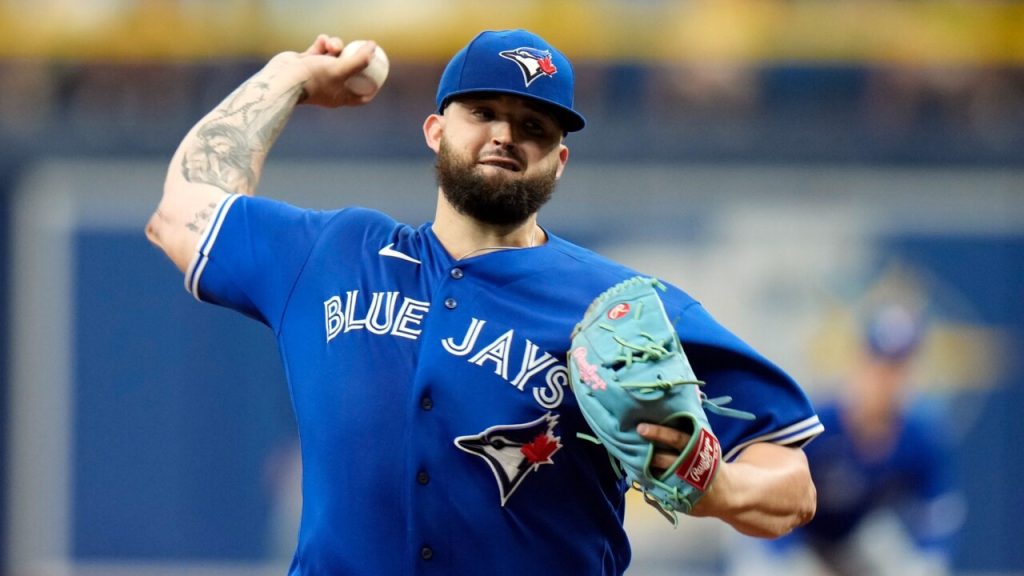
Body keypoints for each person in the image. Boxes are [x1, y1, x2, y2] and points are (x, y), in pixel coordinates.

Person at [146, 29, 823, 575]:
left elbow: (793, 484)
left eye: (534, 125)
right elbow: (181, 212)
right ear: (436, 130)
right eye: (485, 112)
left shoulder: (617, 309)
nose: (506, 134)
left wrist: (724, 487)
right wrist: (289, 75)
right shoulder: (334, 254)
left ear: (559, 162)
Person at [759, 303, 964, 576]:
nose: (885, 379)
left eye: (897, 367)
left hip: (854, 536)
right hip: (783, 535)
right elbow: (768, 499)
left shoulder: (920, 436)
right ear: (859, 362)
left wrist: (928, 559)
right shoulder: (818, 423)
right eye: (877, 363)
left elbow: (938, 513)